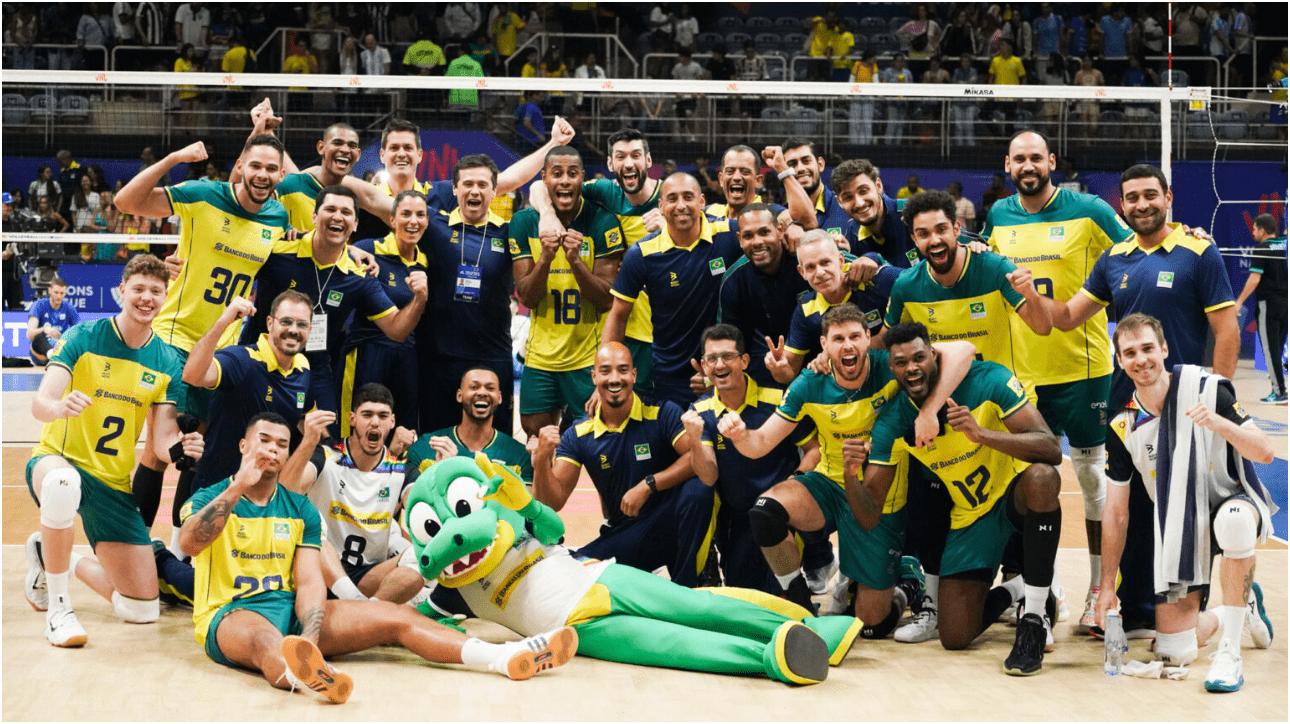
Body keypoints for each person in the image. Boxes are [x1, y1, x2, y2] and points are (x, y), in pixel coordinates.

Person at [179, 412, 576, 703]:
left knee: (397, 617)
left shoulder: (299, 510)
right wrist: (237, 488)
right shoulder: (209, 497)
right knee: (264, 639)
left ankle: (503, 657)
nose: (272, 450)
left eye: (281, 444)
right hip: (232, 613)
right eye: (264, 441)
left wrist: (310, 638)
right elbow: (191, 543)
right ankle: (305, 676)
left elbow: (310, 582)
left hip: (290, 610)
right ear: (244, 446)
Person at [1039, 164, 1240, 637]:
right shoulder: (1114, 258)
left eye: (1151, 195)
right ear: (1122, 205)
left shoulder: (1199, 251)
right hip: (1128, 406)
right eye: (1132, 198)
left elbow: (1227, 329)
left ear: (1168, 197)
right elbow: (1066, 317)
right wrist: (1025, 288)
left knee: (1197, 512)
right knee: (1131, 507)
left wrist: (1216, 399)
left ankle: (1236, 602)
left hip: (1187, 405)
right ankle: (1132, 606)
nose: (1142, 204)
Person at [719, 305, 972, 627]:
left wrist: (929, 411)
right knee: (765, 512)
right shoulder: (809, 383)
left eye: (854, 336)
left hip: (879, 495)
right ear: (824, 345)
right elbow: (760, 444)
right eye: (838, 339)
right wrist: (740, 435)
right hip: (829, 483)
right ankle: (799, 601)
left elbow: (963, 349)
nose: (848, 345)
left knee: (872, 623)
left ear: (868, 338)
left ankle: (907, 582)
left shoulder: (890, 366)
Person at [982, 131, 1135, 633]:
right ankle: (1040, 589)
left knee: (1091, 480)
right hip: (1023, 374)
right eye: (1019, 159)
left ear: (1051, 161)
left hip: (1083, 370)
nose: (1028, 166)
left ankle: (1099, 590)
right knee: (1028, 483)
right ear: (1008, 165)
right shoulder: (999, 216)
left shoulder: (1089, 210)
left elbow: (1135, 249)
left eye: (1036, 157)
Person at [860, 321, 1065, 675]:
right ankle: (1015, 589)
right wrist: (852, 475)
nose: (912, 368)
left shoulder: (988, 380)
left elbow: (1050, 448)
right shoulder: (894, 420)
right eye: (901, 362)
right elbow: (870, 507)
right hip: (972, 514)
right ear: (890, 368)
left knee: (1043, 478)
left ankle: (1033, 618)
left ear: (934, 355)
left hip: (1014, 494)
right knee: (954, 636)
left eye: (919, 358)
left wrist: (980, 434)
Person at [113, 136, 292, 538]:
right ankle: (134, 546)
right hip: (174, 338)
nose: (262, 175)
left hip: (222, 352)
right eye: (255, 165)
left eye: (270, 168)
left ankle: (182, 549)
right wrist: (175, 158)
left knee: (201, 454)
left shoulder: (277, 218)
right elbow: (126, 202)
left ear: (281, 174)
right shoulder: (203, 195)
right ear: (240, 165)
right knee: (162, 450)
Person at [23, 255, 204, 647]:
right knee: (62, 483)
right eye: (138, 289)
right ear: (121, 290)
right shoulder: (84, 336)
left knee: (141, 609)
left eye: (155, 291)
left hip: (112, 482)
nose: (146, 298)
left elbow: (161, 439)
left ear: (165, 296)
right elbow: (40, 403)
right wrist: (59, 407)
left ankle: (51, 555)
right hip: (58, 460)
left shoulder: (167, 361)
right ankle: (59, 611)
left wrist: (181, 449)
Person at [1097, 314, 1277, 692]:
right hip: (1180, 526)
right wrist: (1106, 587)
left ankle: (1229, 653)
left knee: (1233, 521)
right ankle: (1238, 607)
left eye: (1148, 348)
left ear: (1164, 349)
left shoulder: (1207, 391)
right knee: (1173, 653)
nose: (1141, 359)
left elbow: (1264, 452)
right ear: (1120, 361)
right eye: (1130, 353)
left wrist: (1218, 423)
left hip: (1230, 501)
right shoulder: (1123, 426)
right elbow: (1115, 512)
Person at [238, 185, 427, 436]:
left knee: (326, 444)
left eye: (346, 212)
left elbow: (397, 330)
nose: (338, 216)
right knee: (246, 437)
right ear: (314, 216)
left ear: (355, 224)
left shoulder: (359, 276)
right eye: (330, 209)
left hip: (313, 368)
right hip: (257, 360)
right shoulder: (279, 250)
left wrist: (420, 298)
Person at [533, 342, 714, 586]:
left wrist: (648, 484)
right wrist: (541, 461)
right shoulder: (578, 434)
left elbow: (697, 460)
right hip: (628, 533)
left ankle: (688, 586)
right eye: (605, 371)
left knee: (699, 490)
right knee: (572, 570)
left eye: (623, 370)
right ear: (594, 377)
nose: (615, 378)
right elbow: (551, 503)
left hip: (671, 521)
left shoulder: (662, 413)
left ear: (634, 375)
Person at [684, 325, 820, 594]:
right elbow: (709, 476)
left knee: (783, 595)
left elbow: (814, 450)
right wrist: (694, 440)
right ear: (704, 366)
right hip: (737, 519)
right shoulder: (699, 411)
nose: (720, 365)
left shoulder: (779, 398)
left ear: (744, 361)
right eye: (712, 358)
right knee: (744, 597)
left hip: (780, 514)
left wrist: (795, 483)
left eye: (728, 356)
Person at [530, 127, 661, 397]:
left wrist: (670, 229)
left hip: (662, 330)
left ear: (648, 160)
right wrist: (547, 214)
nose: (628, 163)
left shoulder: (671, 197)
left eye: (635, 155)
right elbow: (538, 187)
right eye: (620, 157)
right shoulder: (604, 191)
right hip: (618, 329)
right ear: (610, 164)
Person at [511, 146, 624, 436]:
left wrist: (575, 261)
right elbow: (527, 297)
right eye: (557, 173)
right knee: (538, 436)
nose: (564, 180)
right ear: (544, 179)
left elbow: (605, 300)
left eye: (572, 174)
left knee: (596, 437)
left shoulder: (603, 221)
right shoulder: (523, 222)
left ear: (582, 179)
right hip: (540, 358)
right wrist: (546, 259)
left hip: (587, 358)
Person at [604, 173, 742, 407]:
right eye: (672, 198)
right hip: (670, 378)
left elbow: (768, 225)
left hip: (725, 370)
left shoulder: (729, 234)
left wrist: (790, 225)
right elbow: (618, 316)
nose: (681, 205)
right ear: (660, 206)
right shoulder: (641, 254)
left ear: (701, 201)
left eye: (688, 197)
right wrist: (606, 374)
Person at [280, 385, 424, 604]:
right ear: (352, 418)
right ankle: (357, 603)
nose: (375, 422)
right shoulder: (327, 454)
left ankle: (365, 610)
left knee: (422, 557)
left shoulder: (401, 468)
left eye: (382, 416)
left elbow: (420, 506)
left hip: (369, 575)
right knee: (310, 530)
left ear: (392, 422)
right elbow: (285, 492)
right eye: (367, 414)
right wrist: (309, 441)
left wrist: (439, 473)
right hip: (319, 569)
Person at [340, 191, 430, 434]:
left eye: (420, 215)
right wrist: (350, 249)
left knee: (403, 432)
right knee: (358, 429)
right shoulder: (369, 249)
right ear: (392, 219)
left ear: (427, 221)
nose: (413, 221)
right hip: (367, 353)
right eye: (406, 214)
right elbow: (332, 253)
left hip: (407, 357)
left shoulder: (426, 262)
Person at [776, 231, 898, 385]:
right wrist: (777, 367)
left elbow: (919, 279)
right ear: (802, 272)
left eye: (825, 262)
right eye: (811, 267)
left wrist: (834, 355)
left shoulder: (876, 278)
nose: (820, 273)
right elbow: (789, 371)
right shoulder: (806, 310)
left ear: (840, 260)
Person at [717, 203, 811, 388]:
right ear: (739, 239)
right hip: (769, 368)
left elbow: (843, 262)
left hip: (822, 361)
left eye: (764, 232)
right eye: (748, 236)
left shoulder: (806, 257)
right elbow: (731, 344)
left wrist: (869, 258)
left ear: (780, 230)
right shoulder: (734, 281)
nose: (757, 242)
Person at [405, 367, 532, 492]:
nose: (482, 392)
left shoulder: (519, 456)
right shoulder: (426, 446)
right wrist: (443, 470)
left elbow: (531, 504)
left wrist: (540, 461)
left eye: (490, 388)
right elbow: (410, 500)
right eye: (474, 387)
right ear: (459, 395)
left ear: (499, 397)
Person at [1234, 214, 1286, 403]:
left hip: (1268, 305)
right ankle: (1278, 389)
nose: (1253, 232)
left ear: (1262, 231)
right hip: (1286, 304)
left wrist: (1239, 302)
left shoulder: (1261, 248)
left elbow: (1254, 278)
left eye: (1255, 229)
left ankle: (1279, 393)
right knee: (1276, 350)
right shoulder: (1284, 244)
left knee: (1270, 351)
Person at [26, 278, 81, 367]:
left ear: (65, 293)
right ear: (50, 290)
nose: (59, 296)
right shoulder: (39, 305)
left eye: (62, 293)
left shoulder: (69, 307)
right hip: (40, 352)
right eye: (56, 292)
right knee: (38, 338)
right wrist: (45, 329)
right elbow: (29, 334)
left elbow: (79, 332)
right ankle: (52, 354)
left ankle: (58, 355)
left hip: (58, 345)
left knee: (76, 339)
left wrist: (66, 336)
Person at [848, 50, 880, 146]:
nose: (875, 59)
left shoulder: (873, 66)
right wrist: (849, 93)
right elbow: (851, 80)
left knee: (867, 123)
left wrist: (879, 93)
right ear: (868, 57)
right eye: (874, 57)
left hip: (868, 96)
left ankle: (865, 144)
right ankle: (854, 144)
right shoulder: (857, 65)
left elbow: (875, 81)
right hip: (857, 96)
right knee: (855, 122)